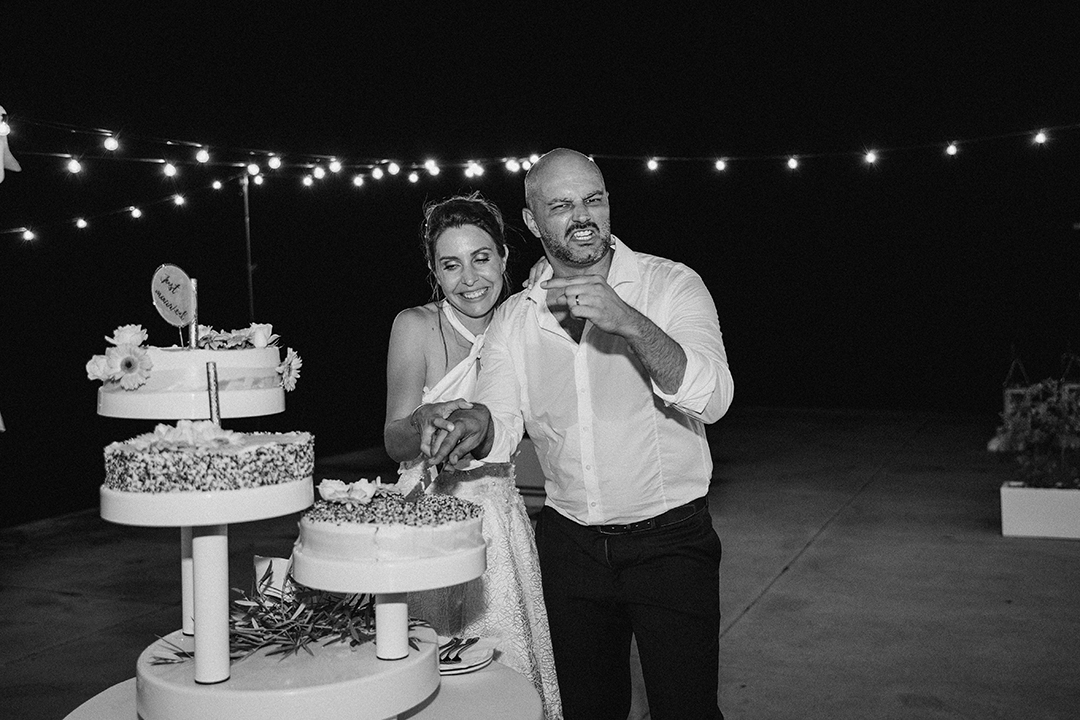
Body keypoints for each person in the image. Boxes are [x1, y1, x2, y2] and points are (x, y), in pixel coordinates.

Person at [425, 149, 734, 720]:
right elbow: (500, 421)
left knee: (687, 709)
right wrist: (473, 425)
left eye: (593, 199)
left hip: (671, 543)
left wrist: (630, 322)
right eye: (562, 205)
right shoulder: (516, 317)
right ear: (532, 220)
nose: (583, 216)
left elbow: (713, 398)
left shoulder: (671, 284)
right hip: (570, 550)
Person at [383, 192, 562, 720]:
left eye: (482, 258)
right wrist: (421, 421)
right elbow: (393, 440)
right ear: (434, 272)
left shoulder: (526, 319)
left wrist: (548, 277)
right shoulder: (414, 326)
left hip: (501, 524)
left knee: (505, 681)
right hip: (427, 520)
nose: (469, 279)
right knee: (425, 677)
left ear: (505, 257)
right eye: (451, 265)